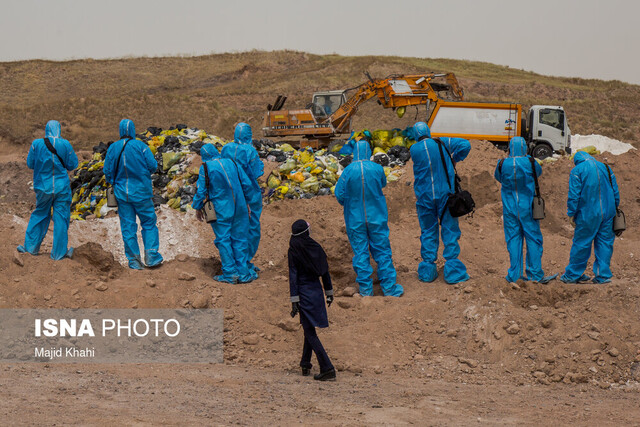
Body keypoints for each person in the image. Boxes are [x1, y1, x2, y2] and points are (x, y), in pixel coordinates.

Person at [335, 140, 404, 297]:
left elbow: (339, 194)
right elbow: (383, 184)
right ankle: (389, 288)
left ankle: (366, 290)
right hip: (377, 216)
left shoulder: (348, 171)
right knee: (382, 250)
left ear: (355, 152)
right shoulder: (377, 168)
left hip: (355, 218)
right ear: (368, 152)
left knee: (360, 252)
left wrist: (349, 203)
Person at [410, 121, 471, 284]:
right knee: (450, 230)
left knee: (428, 231)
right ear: (428, 131)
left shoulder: (414, 150)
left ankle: (428, 271)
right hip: (446, 195)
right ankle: (453, 271)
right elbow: (465, 144)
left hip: (425, 198)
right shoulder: (442, 141)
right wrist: (454, 159)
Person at [494, 137, 556, 284]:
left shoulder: (502, 164)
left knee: (513, 240)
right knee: (533, 239)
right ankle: (534, 274)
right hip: (528, 207)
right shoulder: (530, 162)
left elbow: (499, 178)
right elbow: (538, 173)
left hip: (510, 209)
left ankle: (515, 275)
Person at [193, 143, 257, 284]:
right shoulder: (232, 162)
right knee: (240, 238)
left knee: (223, 240)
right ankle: (244, 273)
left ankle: (230, 274)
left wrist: (197, 207)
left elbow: (201, 190)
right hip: (240, 207)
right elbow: (246, 183)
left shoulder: (205, 168)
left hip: (221, 209)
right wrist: (249, 202)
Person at [104, 119, 163, 270]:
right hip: (142, 192)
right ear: (133, 130)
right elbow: (152, 166)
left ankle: (134, 261)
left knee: (128, 227)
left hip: (122, 195)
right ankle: (151, 256)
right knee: (149, 223)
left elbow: (108, 172)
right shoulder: (141, 146)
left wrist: (116, 182)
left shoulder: (112, 148)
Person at [18, 120, 78, 260]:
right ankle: (59, 253)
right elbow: (72, 165)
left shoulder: (36, 144)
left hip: (43, 186)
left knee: (40, 214)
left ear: (46, 129)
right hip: (61, 187)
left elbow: (30, 164)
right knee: (61, 218)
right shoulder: (65, 144)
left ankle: (31, 248)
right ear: (59, 130)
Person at [561, 151, 620, 284]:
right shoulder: (605, 167)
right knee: (605, 243)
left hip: (587, 213)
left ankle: (573, 275)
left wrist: (571, 213)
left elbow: (574, 195)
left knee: (582, 243)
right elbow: (615, 191)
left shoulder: (577, 171)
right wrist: (614, 206)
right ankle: (602, 276)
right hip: (608, 212)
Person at [288, 219, 336, 381]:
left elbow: (293, 276)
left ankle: (327, 367)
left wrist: (294, 300)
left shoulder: (293, 250)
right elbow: (325, 271)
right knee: (309, 328)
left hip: (303, 293)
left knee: (309, 331)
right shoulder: (316, 248)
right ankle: (305, 363)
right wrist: (329, 292)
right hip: (316, 291)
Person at [221, 122, 264, 272]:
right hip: (249, 194)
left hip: (229, 192)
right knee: (251, 228)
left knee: (232, 228)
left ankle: (234, 263)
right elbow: (256, 173)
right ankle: (243, 262)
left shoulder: (226, 148)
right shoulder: (250, 152)